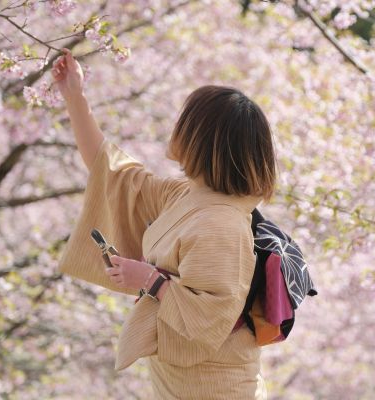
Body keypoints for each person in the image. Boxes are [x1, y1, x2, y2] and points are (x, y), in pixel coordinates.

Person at [52, 48, 276, 399]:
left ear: (199, 140)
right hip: (181, 381)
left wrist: (149, 279)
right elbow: (114, 174)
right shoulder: (186, 196)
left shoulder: (222, 224)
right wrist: (75, 97)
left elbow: (210, 317)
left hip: (216, 387)